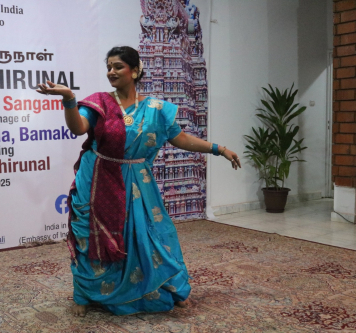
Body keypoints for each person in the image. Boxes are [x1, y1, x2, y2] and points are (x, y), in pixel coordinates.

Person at [37, 46, 240, 317]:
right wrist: (69, 99)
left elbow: (180, 138)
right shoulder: (100, 102)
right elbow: (78, 128)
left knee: (151, 233)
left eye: (118, 66)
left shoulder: (156, 109)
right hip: (98, 179)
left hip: (137, 182)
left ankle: (169, 287)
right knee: (91, 235)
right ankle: (85, 295)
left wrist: (219, 149)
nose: (111, 72)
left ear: (134, 71)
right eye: (109, 67)